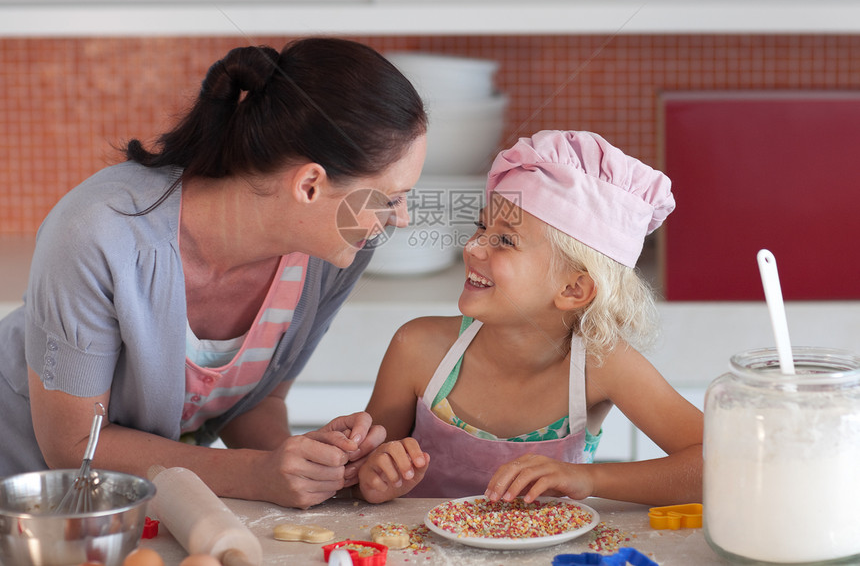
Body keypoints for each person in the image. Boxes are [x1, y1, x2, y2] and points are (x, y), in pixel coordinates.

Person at [0, 37, 428, 509]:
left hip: (150, 504)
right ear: (310, 185)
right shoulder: (97, 234)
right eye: (389, 198)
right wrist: (254, 474)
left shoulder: (331, 253)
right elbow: (74, 446)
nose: (401, 218)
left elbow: (255, 402)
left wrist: (321, 464)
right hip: (26, 501)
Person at [357, 130, 703, 505]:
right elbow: (365, 473)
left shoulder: (601, 364)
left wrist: (589, 478)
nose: (472, 247)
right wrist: (374, 477)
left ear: (573, 289)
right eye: (481, 227)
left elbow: (721, 464)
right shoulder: (417, 349)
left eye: (504, 241)